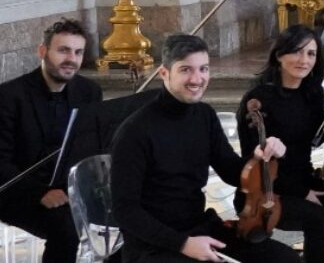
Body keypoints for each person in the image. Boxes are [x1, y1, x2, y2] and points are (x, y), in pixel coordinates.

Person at [110, 35, 298, 263]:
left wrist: (259, 159)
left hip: (198, 227)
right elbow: (125, 210)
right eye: (186, 70)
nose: (197, 79)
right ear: (164, 73)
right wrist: (183, 244)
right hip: (153, 244)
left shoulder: (204, 115)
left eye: (204, 69)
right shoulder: (134, 131)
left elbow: (231, 171)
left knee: (284, 258)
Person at [238, 27, 324, 263]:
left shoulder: (312, 94)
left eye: (310, 54)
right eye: (297, 52)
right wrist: (303, 192)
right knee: (317, 217)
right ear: (279, 55)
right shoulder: (257, 100)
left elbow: (316, 139)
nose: (304, 60)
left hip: (304, 180)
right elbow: (251, 160)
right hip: (268, 191)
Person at [0, 20, 101, 263]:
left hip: (70, 190)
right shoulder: (7, 96)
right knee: (66, 228)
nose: (71, 59)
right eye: (63, 50)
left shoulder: (89, 91)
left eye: (78, 52)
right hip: (19, 193)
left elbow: (94, 145)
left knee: (128, 214)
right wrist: (40, 192)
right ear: (43, 51)